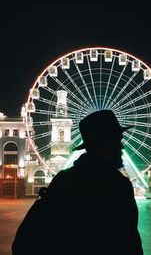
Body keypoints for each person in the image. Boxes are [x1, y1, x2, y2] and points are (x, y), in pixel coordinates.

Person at [12, 109, 143, 255]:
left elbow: (25, 240)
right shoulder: (118, 185)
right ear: (108, 143)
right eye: (119, 140)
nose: (122, 147)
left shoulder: (62, 180)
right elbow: (130, 245)